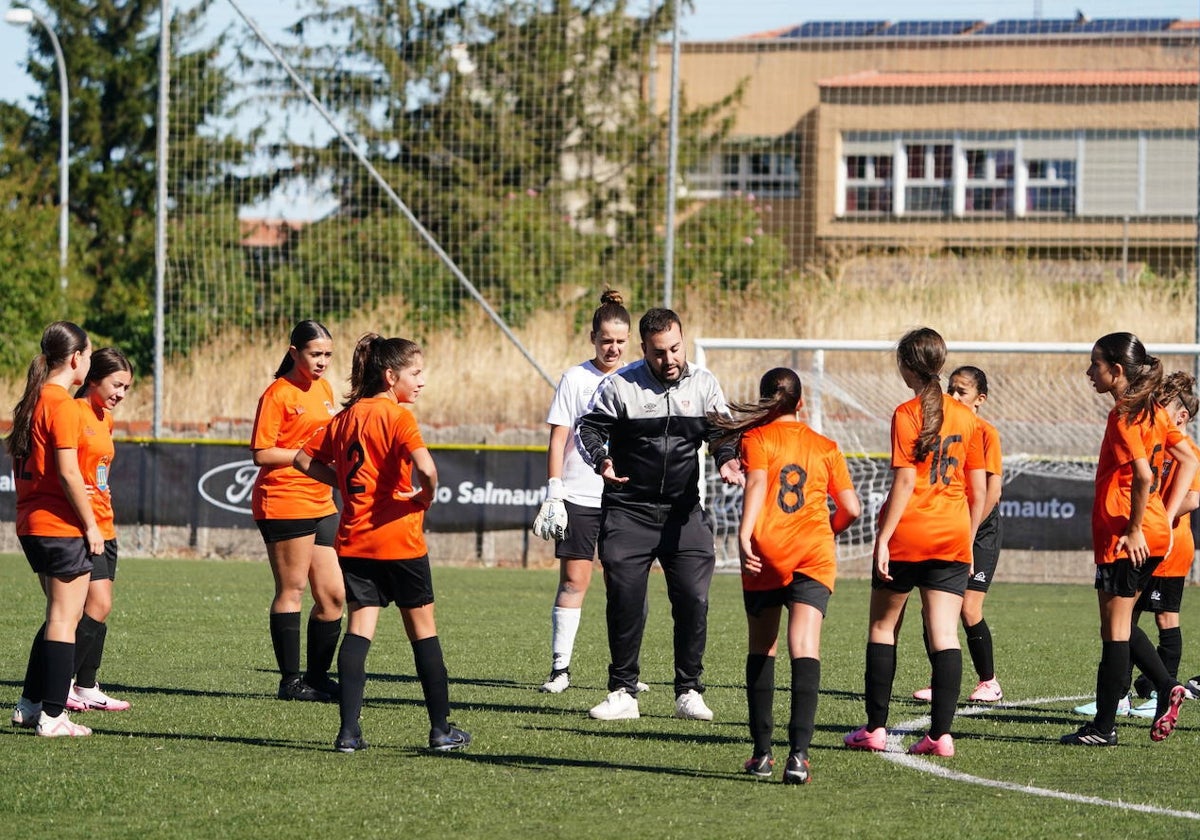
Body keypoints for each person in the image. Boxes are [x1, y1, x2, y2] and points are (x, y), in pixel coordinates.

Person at [296, 334, 469, 754]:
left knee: (359, 630)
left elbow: (302, 459)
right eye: (416, 373)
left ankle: (348, 733)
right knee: (423, 632)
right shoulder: (397, 417)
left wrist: (340, 482)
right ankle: (441, 730)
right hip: (401, 542)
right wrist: (424, 495)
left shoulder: (346, 417)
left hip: (354, 540)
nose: (422, 381)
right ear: (391, 377)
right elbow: (427, 469)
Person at [577, 307, 743, 722]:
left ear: (683, 340)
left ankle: (688, 690)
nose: (669, 360)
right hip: (628, 511)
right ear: (644, 350)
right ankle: (622, 692)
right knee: (626, 599)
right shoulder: (621, 385)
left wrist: (725, 458)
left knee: (693, 599)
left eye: (675, 349)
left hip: (683, 514)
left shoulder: (704, 383)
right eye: (658, 353)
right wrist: (602, 461)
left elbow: (723, 433)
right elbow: (589, 429)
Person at [712, 367, 860, 784]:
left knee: (763, 648)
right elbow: (852, 508)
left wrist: (744, 534)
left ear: (764, 403)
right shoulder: (826, 445)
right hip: (813, 553)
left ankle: (761, 755)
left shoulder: (755, 439)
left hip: (766, 550)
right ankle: (799, 756)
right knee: (804, 646)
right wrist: (826, 532)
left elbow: (757, 482)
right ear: (802, 403)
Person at [843, 327, 985, 758]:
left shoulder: (906, 413)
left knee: (883, 628)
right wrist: (968, 534)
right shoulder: (968, 417)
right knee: (945, 633)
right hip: (951, 535)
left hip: (908, 534)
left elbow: (905, 481)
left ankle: (876, 729)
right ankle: (941, 736)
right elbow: (977, 490)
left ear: (908, 366)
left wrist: (883, 537)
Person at [1061, 333, 1197, 747]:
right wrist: (1165, 514)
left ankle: (1111, 723)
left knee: (1117, 629)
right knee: (1115, 626)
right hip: (1151, 532)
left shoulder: (1124, 414)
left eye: (1095, 365)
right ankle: (1119, 714)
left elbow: (1141, 474)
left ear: (1116, 371)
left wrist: (1136, 526)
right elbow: (1189, 459)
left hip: (1127, 534)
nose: (1089, 372)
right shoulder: (1154, 411)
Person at [531, 290, 649, 694]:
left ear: (629, 340)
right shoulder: (575, 379)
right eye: (605, 340)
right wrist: (554, 490)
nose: (612, 348)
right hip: (580, 498)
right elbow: (558, 437)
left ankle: (627, 671)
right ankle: (560, 669)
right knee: (574, 581)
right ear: (592, 338)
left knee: (627, 586)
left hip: (626, 499)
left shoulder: (638, 377)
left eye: (619, 341)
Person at [8, 321, 99, 737]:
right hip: (58, 524)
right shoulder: (62, 404)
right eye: (90, 354)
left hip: (31, 523)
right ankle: (53, 715)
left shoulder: (32, 399)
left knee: (56, 618)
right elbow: (66, 473)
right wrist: (91, 525)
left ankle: (29, 705)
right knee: (66, 617)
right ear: (76, 358)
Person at [251, 320, 345, 702]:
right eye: (314, 354)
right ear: (294, 352)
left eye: (327, 355)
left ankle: (318, 677)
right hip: (284, 500)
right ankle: (290, 682)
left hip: (321, 499)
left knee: (334, 596)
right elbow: (262, 453)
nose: (322, 362)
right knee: (292, 589)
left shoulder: (323, 388)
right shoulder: (278, 394)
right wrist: (305, 459)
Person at [912, 366, 1004, 704]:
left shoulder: (985, 432)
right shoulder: (941, 426)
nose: (952, 396)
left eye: (961, 391)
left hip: (979, 529)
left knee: (968, 607)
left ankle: (989, 681)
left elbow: (991, 492)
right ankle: (941, 681)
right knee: (932, 608)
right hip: (948, 525)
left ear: (980, 399)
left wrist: (968, 529)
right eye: (950, 389)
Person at [65, 348, 134, 713]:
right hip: (82, 525)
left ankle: (87, 685)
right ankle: (59, 685)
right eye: (116, 384)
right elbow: (63, 468)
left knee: (101, 608)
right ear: (93, 379)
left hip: (105, 524)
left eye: (126, 387)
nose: (120, 393)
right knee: (91, 606)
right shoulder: (73, 413)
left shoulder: (104, 417)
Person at [1126, 372, 1200, 716]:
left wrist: (1158, 514)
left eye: (1164, 406)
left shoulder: (1189, 452)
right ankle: (1120, 695)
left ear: (1181, 416)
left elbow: (1193, 498)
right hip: (1149, 538)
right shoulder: (1155, 446)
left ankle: (1163, 693)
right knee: (1127, 615)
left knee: (1166, 619)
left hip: (1173, 544)